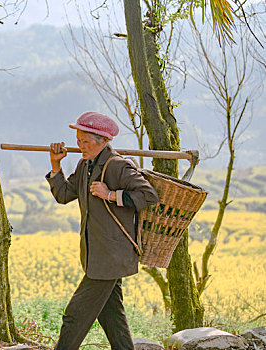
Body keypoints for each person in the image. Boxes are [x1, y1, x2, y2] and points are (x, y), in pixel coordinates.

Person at [46, 111, 158, 350]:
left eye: (85, 142)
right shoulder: (85, 164)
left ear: (103, 141)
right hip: (97, 256)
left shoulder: (118, 166)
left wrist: (110, 195)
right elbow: (65, 194)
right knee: (112, 318)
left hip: (110, 257)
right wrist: (56, 166)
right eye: (78, 141)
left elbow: (148, 195)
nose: (80, 146)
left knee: (74, 316)